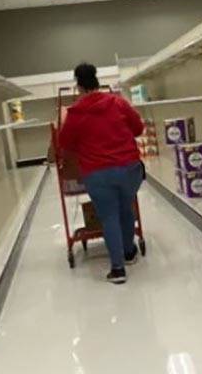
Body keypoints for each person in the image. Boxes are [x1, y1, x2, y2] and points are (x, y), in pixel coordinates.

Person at [57, 62, 146, 284]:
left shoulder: (75, 114)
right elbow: (138, 129)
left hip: (98, 174)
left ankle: (118, 270)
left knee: (109, 216)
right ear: (97, 82)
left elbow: (64, 143)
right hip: (129, 170)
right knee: (126, 207)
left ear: (78, 86)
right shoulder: (118, 103)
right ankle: (129, 253)